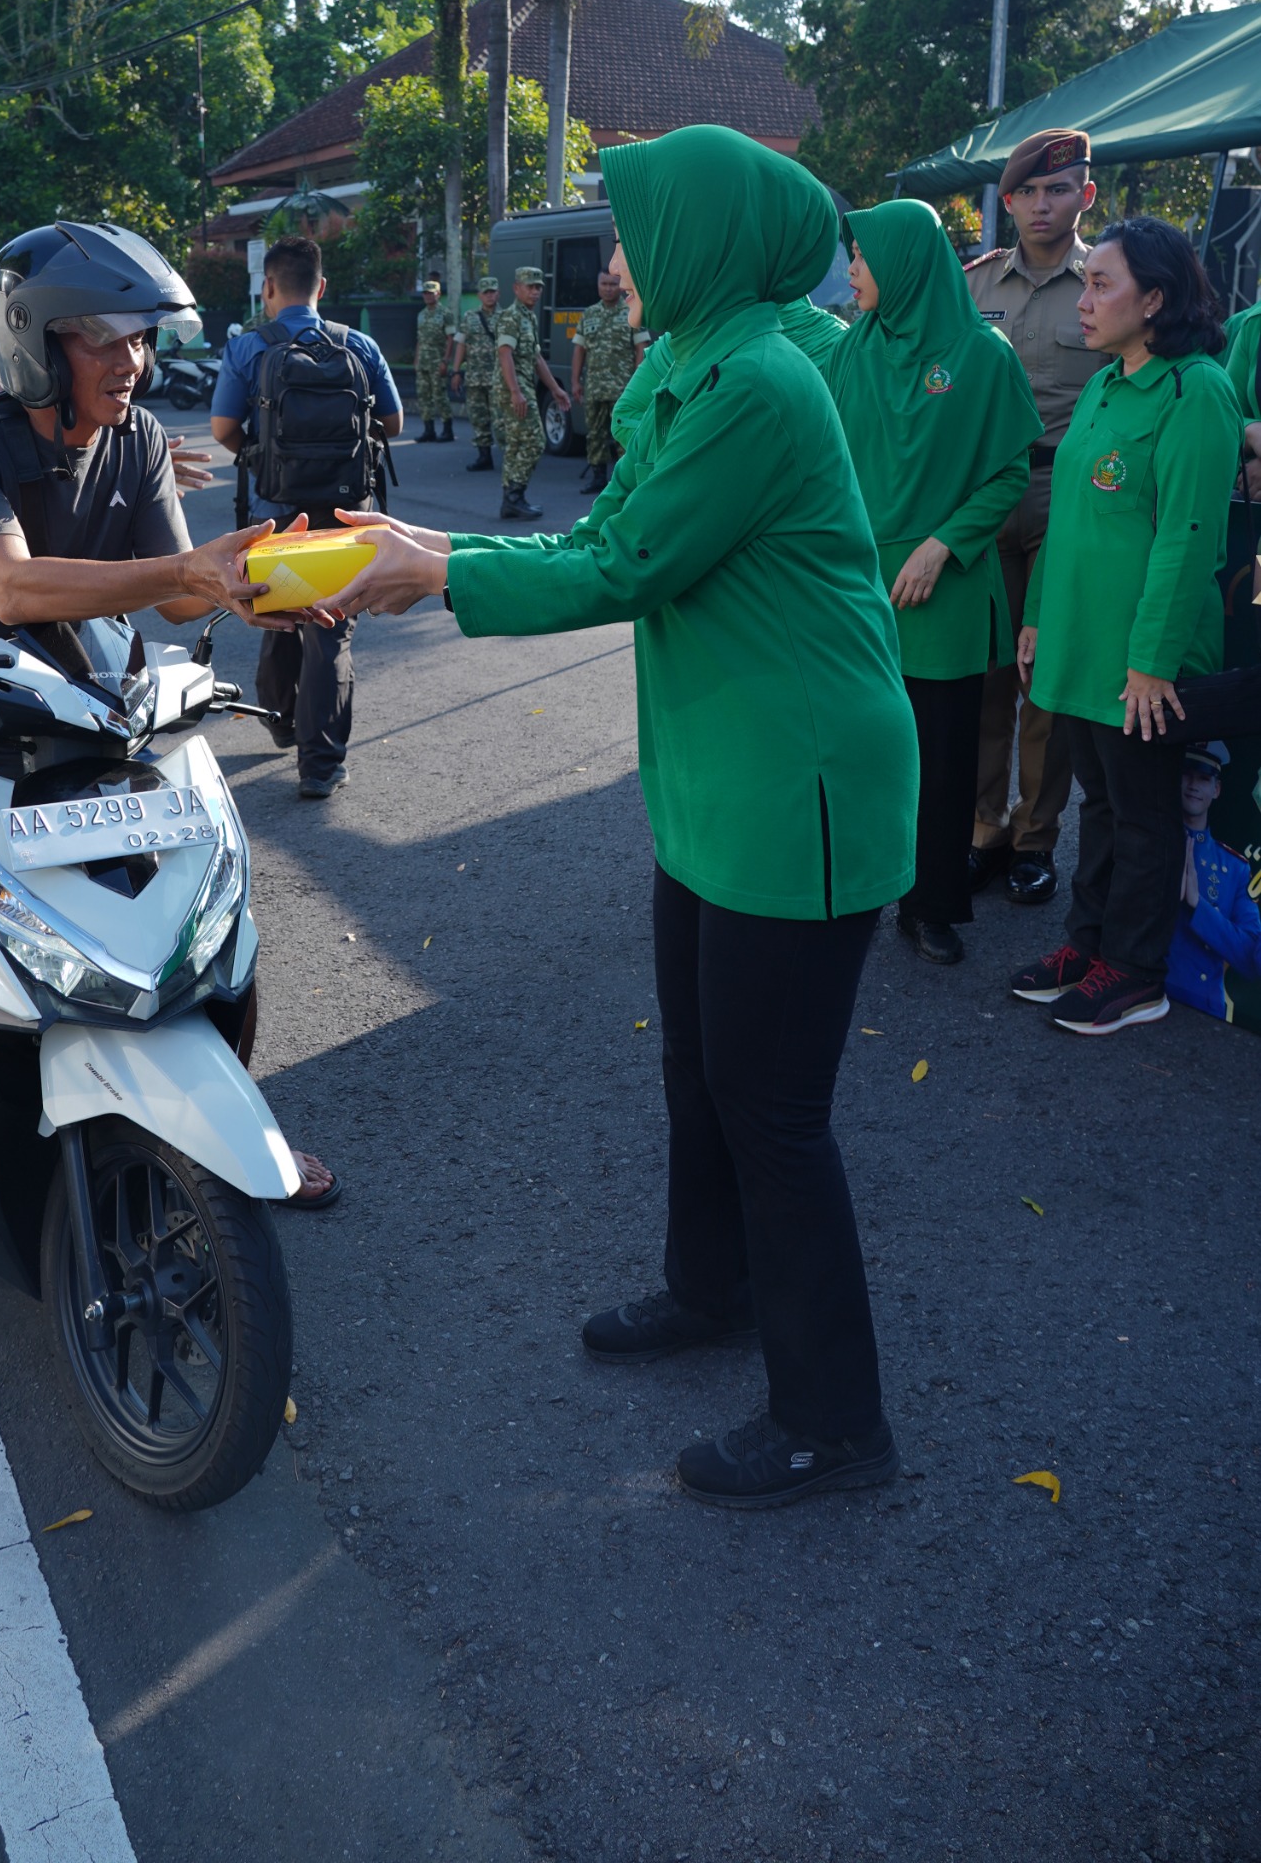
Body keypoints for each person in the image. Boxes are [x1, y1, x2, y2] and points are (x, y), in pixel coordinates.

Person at [321, 124, 918, 1512]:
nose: (612, 260)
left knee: (774, 1113)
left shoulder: (758, 384)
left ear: (702, 241)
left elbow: (624, 563)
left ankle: (835, 1421)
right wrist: (436, 548)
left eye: (636, 232)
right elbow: (598, 537)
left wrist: (434, 570)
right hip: (720, 779)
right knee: (699, 1072)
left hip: (798, 785)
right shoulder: (687, 364)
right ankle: (708, 1291)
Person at [0, 221, 332, 1337]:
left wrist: (274, 576)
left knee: (212, 932)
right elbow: (16, 589)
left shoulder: (131, 440)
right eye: (103, 340)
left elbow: (179, 597)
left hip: (90, 723)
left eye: (138, 340)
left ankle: (212, 1127)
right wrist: (183, 568)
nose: (131, 362)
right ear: (35, 342)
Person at [1012, 218, 1240, 1036]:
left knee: (1142, 817)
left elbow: (1188, 543)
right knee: (1099, 804)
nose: (1084, 298)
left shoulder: (1196, 392)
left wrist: (1150, 665)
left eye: (1102, 284)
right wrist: (1038, 617)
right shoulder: (1108, 381)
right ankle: (1089, 945)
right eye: (1087, 281)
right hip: (1082, 643)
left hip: (1145, 661)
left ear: (1156, 298)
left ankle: (1136, 972)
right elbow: (1066, 519)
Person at [826, 203, 1039, 967]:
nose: (851, 271)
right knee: (861, 752)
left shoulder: (982, 354)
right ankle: (858, 888)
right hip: (859, 589)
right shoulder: (852, 351)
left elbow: (1011, 470)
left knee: (942, 761)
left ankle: (932, 907)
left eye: (861, 257)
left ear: (908, 263)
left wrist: (943, 545)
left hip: (941, 590)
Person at [210, 233, 402, 800]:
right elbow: (390, 424)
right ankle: (321, 766)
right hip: (345, 514)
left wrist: (264, 454)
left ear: (268, 287)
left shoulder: (247, 347)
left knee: (279, 610)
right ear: (321, 287)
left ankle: (281, 718)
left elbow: (223, 429)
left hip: (276, 511)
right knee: (331, 631)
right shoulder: (359, 346)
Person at [964, 130, 1104, 906]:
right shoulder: (976, 283)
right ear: (1009, 201)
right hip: (989, 490)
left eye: (1059, 191)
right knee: (984, 671)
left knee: (1044, 674)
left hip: (1070, 495)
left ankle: (1035, 837)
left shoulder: (1109, 282)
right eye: (1027, 193)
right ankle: (982, 829)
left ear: (1085, 195)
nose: (1041, 206)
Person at [1166, 741, 1261, 1019]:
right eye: (1187, 774)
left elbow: (1250, 957)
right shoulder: (1151, 844)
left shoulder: (1234, 867)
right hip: (1148, 992)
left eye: (1204, 778)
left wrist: (1198, 906)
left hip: (1206, 1008)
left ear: (1216, 789)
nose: (1193, 785)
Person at [493, 266, 571, 520]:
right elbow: (505, 354)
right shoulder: (511, 316)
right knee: (535, 441)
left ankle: (511, 500)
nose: (535, 292)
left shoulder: (529, 317)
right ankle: (514, 496)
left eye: (539, 287)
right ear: (516, 288)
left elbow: (536, 358)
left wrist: (556, 389)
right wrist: (516, 392)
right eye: (530, 286)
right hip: (513, 387)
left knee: (517, 444)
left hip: (523, 384)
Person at [569, 263, 644, 494]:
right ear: (598, 286)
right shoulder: (589, 313)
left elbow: (641, 348)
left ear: (619, 286)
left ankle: (626, 482)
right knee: (595, 434)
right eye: (604, 284)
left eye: (613, 284)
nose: (609, 289)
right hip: (595, 388)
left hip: (623, 388)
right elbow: (579, 350)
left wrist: (638, 382)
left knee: (625, 435)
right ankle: (598, 477)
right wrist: (575, 381)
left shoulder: (631, 311)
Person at [453, 275, 501, 471]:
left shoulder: (506, 317)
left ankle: (513, 460)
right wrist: (455, 372)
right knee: (479, 419)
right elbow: (461, 345)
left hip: (499, 379)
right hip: (475, 377)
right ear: (479, 295)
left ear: (498, 293)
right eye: (486, 292)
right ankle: (484, 456)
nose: (490, 296)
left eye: (493, 292)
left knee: (502, 420)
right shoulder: (470, 317)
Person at [413, 278, 455, 442]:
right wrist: (416, 360)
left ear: (438, 294)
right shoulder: (421, 315)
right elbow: (420, 339)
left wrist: (446, 361)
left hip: (437, 361)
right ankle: (428, 430)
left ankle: (447, 430)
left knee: (440, 395)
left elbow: (450, 339)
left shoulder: (446, 314)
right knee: (423, 396)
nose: (428, 296)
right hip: (423, 361)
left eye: (431, 293)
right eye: (425, 293)